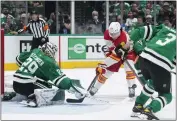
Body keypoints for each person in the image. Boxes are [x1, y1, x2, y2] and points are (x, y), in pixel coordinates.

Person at [6, 42, 86, 107]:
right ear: (50, 51)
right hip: (28, 85)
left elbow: (18, 59)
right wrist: (72, 86)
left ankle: (16, 95)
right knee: (49, 88)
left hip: (16, 84)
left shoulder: (35, 51)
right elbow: (61, 81)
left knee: (37, 81)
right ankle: (34, 98)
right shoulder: (49, 62)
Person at [130, 24, 176, 120]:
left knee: (152, 83)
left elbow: (140, 31)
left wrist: (129, 43)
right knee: (166, 95)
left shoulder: (164, 28)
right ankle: (149, 109)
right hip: (160, 64)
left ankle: (138, 106)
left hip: (144, 58)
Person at [88, 22, 137, 98]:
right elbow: (112, 49)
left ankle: (131, 88)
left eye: (114, 34)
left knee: (129, 69)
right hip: (117, 52)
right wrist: (106, 58)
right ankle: (95, 87)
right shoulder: (107, 34)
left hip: (128, 52)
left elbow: (115, 57)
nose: (113, 36)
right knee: (107, 71)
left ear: (119, 31)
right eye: (111, 34)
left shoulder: (123, 38)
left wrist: (103, 65)